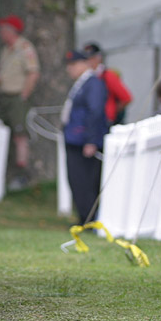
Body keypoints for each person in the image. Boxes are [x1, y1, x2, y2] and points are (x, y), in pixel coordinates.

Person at [61, 49, 108, 225]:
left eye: (73, 65)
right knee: (76, 180)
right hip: (75, 139)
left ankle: (89, 219)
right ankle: (84, 217)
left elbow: (95, 111)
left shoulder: (93, 83)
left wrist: (91, 140)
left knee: (85, 181)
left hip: (82, 141)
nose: (70, 69)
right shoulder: (82, 83)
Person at [0, 14, 40, 189]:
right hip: (4, 96)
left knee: (20, 135)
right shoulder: (6, 49)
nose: (1, 33)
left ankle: (22, 173)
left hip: (17, 98)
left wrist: (24, 94)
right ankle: (4, 172)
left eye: (4, 29)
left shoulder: (25, 48)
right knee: (3, 133)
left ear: (11, 31)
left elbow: (33, 72)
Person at [82, 42, 131, 125]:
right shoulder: (84, 78)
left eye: (92, 58)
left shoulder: (108, 75)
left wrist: (111, 111)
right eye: (86, 59)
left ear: (99, 58)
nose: (89, 62)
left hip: (105, 122)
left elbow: (126, 98)